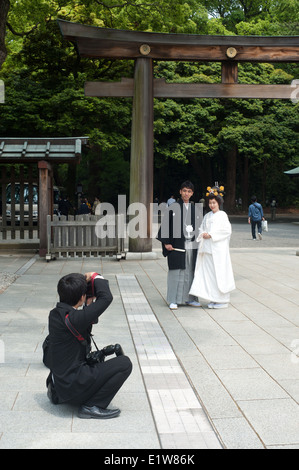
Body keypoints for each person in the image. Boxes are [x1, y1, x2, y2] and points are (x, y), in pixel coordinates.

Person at [43, 272, 132, 419]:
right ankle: (92, 406)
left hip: (60, 386)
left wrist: (88, 305)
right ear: (81, 297)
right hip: (73, 385)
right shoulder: (76, 318)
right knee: (125, 363)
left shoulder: (55, 314)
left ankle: (71, 395)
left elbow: (84, 323)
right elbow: (106, 297)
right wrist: (96, 276)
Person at [157, 181, 201, 310]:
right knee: (176, 272)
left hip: (192, 245)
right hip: (177, 244)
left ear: (192, 193)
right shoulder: (173, 207)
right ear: (180, 192)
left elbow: (200, 227)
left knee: (191, 271)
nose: (186, 193)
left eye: (189, 191)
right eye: (184, 190)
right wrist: (166, 242)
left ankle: (191, 299)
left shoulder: (195, 209)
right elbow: (166, 225)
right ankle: (173, 299)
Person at [189, 191, 235, 309]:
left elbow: (226, 231)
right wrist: (203, 233)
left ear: (218, 203)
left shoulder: (222, 215)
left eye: (214, 203)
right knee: (210, 275)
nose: (212, 205)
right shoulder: (207, 216)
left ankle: (222, 299)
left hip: (218, 250)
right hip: (208, 249)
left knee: (219, 274)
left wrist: (211, 235)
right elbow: (201, 228)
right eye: (210, 203)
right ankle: (213, 298)